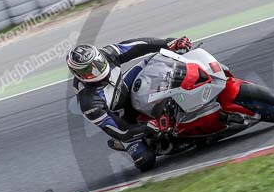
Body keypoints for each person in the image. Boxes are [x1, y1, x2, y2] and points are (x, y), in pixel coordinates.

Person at [67, 36, 193, 170]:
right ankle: (125, 144)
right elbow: (122, 131)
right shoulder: (90, 103)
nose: (96, 70)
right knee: (145, 161)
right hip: (123, 120)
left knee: (160, 59)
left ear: (99, 56)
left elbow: (140, 45)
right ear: (78, 74)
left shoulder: (108, 54)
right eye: (88, 70)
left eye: (97, 63)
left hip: (125, 87)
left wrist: (169, 43)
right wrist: (150, 127)